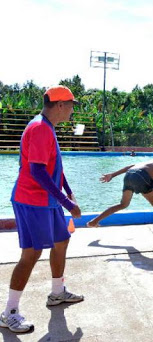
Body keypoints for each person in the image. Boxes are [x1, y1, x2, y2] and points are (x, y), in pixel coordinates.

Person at [2, 86, 84, 334]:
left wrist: (67, 190)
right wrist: (68, 204)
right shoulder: (39, 129)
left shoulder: (47, 127)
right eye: (71, 105)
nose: (72, 110)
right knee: (31, 254)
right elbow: (37, 171)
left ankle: (57, 292)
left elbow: (54, 165)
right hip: (32, 200)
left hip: (49, 200)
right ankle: (9, 312)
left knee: (62, 241)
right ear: (60, 105)